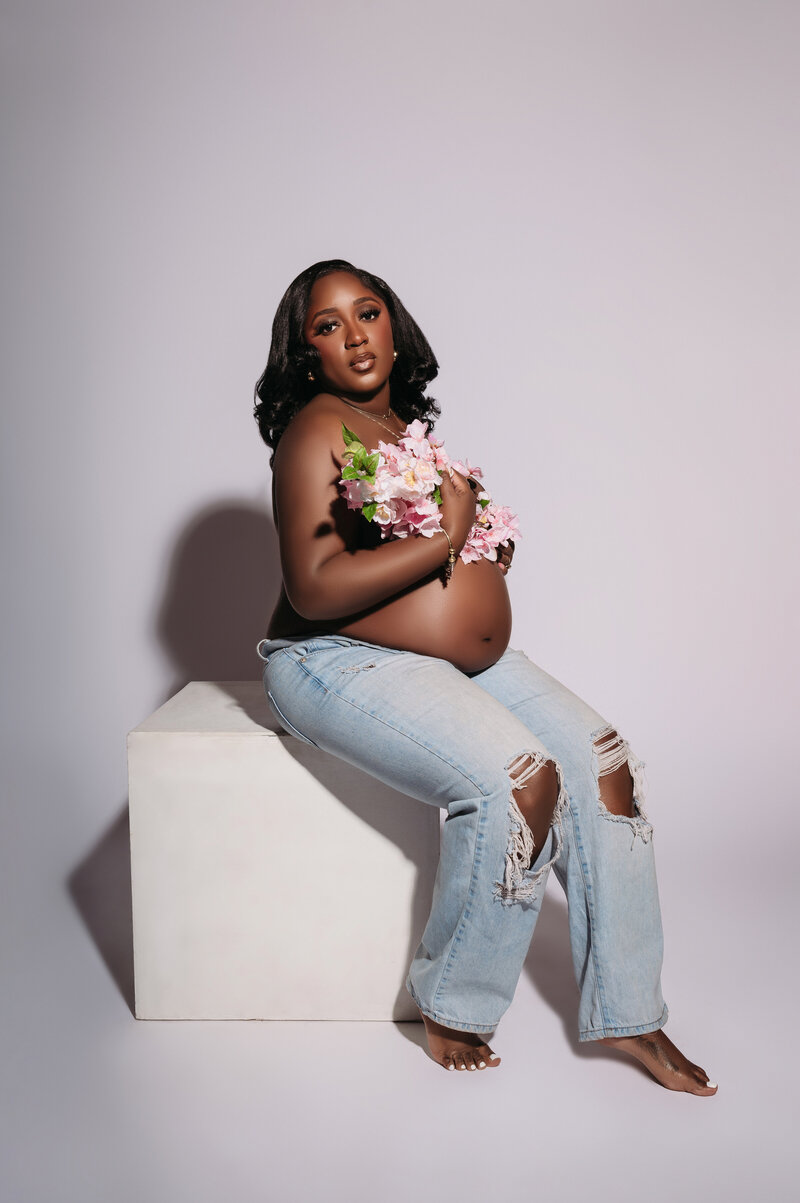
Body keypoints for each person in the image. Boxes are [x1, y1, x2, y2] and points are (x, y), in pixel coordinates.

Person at [252, 259, 717, 1093]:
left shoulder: (402, 431)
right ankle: (454, 1003)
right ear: (305, 349)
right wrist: (444, 542)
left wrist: (480, 549)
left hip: (432, 654)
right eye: (328, 325)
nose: (355, 335)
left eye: (369, 312)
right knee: (520, 781)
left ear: (396, 325)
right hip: (329, 662)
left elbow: (407, 554)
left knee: (605, 768)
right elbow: (314, 585)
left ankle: (631, 1010)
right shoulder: (316, 429)